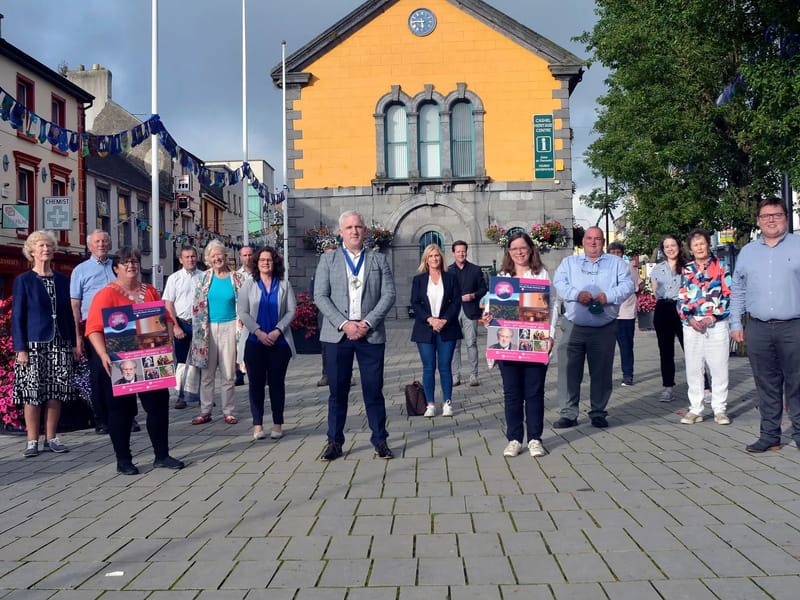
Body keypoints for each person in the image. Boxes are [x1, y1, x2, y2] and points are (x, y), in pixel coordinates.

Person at [85, 247, 184, 474]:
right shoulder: (106, 294)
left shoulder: (149, 291)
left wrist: (167, 341)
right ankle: (124, 460)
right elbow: (93, 329)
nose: (131, 265)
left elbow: (166, 318)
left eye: (135, 262)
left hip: (151, 359)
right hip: (121, 360)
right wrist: (103, 356)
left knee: (158, 407)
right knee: (122, 411)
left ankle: (162, 455)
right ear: (116, 268)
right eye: (126, 262)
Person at [314, 210, 396, 461]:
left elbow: (389, 294)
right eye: (349, 227)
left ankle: (380, 440)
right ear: (341, 232)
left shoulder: (378, 260)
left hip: (370, 336)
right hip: (337, 337)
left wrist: (367, 322)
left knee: (373, 390)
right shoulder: (328, 261)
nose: (354, 231)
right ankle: (334, 441)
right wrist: (344, 324)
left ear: (365, 231)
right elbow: (321, 296)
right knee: (337, 392)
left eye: (358, 226)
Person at [730, 198, 800, 451]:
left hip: (794, 326)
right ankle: (770, 436)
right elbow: (738, 289)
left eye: (777, 214)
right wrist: (735, 322)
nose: (771, 219)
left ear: (786, 218)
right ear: (759, 221)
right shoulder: (748, 251)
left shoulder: (798, 245)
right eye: (765, 215)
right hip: (758, 327)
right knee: (766, 384)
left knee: (797, 382)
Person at [553, 226, 634, 429]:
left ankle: (598, 412)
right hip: (573, 326)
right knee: (568, 371)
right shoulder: (569, 262)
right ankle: (568, 413)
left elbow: (627, 286)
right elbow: (559, 283)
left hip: (604, 326)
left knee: (601, 372)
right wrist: (575, 293)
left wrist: (609, 296)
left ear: (603, 242)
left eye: (597, 239)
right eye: (589, 238)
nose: (593, 242)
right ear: (583, 242)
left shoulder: (616, 263)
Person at [483, 232, 555, 458]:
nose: (519, 252)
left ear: (531, 249)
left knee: (534, 392)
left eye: (522, 248)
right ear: (509, 253)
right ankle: (514, 438)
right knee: (512, 393)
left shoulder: (541, 274)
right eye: (514, 249)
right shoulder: (503, 277)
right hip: (508, 343)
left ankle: (535, 438)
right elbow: (491, 310)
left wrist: (551, 335)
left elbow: (552, 308)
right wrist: (488, 319)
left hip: (535, 341)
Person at [12, 230, 79, 457]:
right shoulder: (24, 281)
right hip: (33, 344)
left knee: (55, 391)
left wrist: (72, 343)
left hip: (59, 342)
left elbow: (68, 314)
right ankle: (32, 441)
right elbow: (17, 316)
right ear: (32, 251)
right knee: (32, 393)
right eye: (41, 246)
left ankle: (52, 437)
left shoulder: (61, 280)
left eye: (49, 246)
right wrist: (20, 348)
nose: (46, 249)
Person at [70, 229, 139, 434]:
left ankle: (129, 416)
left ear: (109, 245)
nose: (101, 244)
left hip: (122, 326)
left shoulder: (118, 266)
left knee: (127, 371)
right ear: (90, 245)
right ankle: (102, 419)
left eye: (104, 241)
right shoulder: (80, 270)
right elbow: (75, 305)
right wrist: (77, 337)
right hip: (95, 328)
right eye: (97, 241)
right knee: (100, 375)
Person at [237, 246, 297, 440]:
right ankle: (258, 425)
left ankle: (278, 424)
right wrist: (259, 332)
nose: (265, 263)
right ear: (257, 263)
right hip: (254, 341)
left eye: (269, 260)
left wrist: (278, 330)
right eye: (262, 260)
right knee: (255, 384)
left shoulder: (284, 284)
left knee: (277, 383)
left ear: (275, 262)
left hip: (279, 343)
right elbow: (243, 312)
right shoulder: (248, 284)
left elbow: (291, 311)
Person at [677, 229, 732, 425]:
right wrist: (689, 319)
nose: (699, 247)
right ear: (691, 249)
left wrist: (712, 317)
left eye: (702, 243)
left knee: (718, 367)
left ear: (708, 245)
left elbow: (728, 294)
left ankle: (719, 409)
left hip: (715, 323)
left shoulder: (721, 266)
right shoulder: (688, 269)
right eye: (695, 245)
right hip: (692, 325)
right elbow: (682, 295)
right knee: (693, 368)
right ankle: (695, 409)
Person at [189, 239, 245, 425]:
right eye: (213, 256)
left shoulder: (237, 278)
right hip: (207, 330)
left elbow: (244, 305)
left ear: (225, 256)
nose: (216, 258)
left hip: (230, 326)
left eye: (219, 254)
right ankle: (205, 411)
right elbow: (196, 307)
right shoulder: (204, 278)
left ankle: (228, 411)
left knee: (228, 373)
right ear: (208, 259)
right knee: (207, 373)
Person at [410, 244, 462, 417]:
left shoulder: (451, 278)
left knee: (445, 367)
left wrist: (444, 320)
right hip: (425, 328)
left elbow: (456, 302)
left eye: (437, 256)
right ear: (426, 259)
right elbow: (415, 303)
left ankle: (447, 402)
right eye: (431, 256)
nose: (434, 259)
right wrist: (430, 319)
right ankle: (430, 404)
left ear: (441, 258)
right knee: (428, 367)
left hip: (447, 327)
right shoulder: (418, 280)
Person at [162, 245, 204, 408]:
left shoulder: (204, 276)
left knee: (200, 361)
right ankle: (181, 396)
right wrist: (175, 326)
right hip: (181, 322)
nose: (190, 260)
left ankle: (202, 395)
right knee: (180, 361)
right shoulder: (174, 278)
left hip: (200, 323)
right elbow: (168, 304)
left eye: (193, 256)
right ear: (181, 260)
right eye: (187, 257)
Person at [650, 234, 688, 401]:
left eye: (673, 245)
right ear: (663, 250)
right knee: (666, 351)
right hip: (664, 309)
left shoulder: (688, 266)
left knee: (691, 349)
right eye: (667, 247)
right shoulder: (657, 269)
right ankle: (667, 387)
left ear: (679, 246)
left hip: (683, 308)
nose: (670, 249)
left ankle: (705, 387)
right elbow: (655, 291)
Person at [448, 240, 487, 387]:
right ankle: (455, 376)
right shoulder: (448, 271)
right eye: (458, 251)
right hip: (453, 312)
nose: (461, 254)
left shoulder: (475, 270)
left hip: (470, 310)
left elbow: (484, 288)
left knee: (471, 343)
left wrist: (473, 296)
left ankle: (473, 375)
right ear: (453, 253)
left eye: (463, 251)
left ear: (466, 251)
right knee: (455, 345)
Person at [607, 242, 642, 386]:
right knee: (605, 348)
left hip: (625, 313)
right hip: (608, 314)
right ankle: (604, 376)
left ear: (622, 254)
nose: (616, 255)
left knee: (626, 346)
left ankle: (628, 374)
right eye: (612, 252)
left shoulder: (629, 267)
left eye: (618, 252)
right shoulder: (605, 268)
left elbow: (638, 286)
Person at [315, 243, 338, 387]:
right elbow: (316, 294)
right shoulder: (319, 272)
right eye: (326, 254)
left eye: (331, 254)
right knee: (326, 347)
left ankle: (347, 374)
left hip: (342, 315)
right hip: (324, 315)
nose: (328, 257)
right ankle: (326, 374)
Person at [234, 245, 256, 386]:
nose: (247, 258)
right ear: (240, 257)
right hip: (240, 315)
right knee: (239, 345)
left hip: (256, 313)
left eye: (250, 255)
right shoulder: (236, 275)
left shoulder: (259, 273)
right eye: (245, 255)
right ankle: (239, 374)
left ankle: (259, 373)